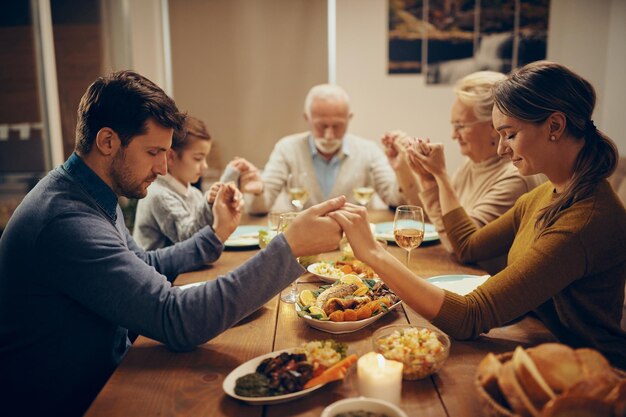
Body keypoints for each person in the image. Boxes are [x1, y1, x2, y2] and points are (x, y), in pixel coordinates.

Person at [0, 70, 344, 416]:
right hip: (76, 400)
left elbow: (145, 266)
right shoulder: (67, 219)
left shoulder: (90, 192)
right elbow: (176, 319)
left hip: (107, 374)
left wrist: (214, 236)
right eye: (153, 151)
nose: (164, 167)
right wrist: (288, 246)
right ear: (107, 142)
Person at [329, 61, 626, 368]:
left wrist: (374, 254)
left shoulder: (584, 220)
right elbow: (469, 246)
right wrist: (433, 180)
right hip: (538, 342)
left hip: (590, 372)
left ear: (555, 126)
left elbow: (470, 317)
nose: (501, 149)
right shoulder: (546, 194)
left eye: (509, 134)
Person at [382, 71, 543, 273]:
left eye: (460, 125)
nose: (453, 135)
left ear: (494, 125)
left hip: (483, 286)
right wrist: (409, 170)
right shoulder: (472, 164)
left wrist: (439, 176)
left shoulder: (514, 177)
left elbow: (461, 246)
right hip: (459, 273)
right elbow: (437, 223)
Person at [239, 83, 415, 213]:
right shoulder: (287, 148)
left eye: (337, 126)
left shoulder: (368, 150)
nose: (329, 135)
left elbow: (397, 202)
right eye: (322, 126)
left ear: (349, 118)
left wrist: (402, 169)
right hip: (304, 243)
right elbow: (259, 208)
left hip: (355, 244)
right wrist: (258, 191)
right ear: (307, 118)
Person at [133, 115, 240, 250]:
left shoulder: (194, 194)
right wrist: (211, 201)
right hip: (160, 271)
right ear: (171, 157)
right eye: (198, 158)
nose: (205, 166)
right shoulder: (158, 195)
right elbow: (188, 239)